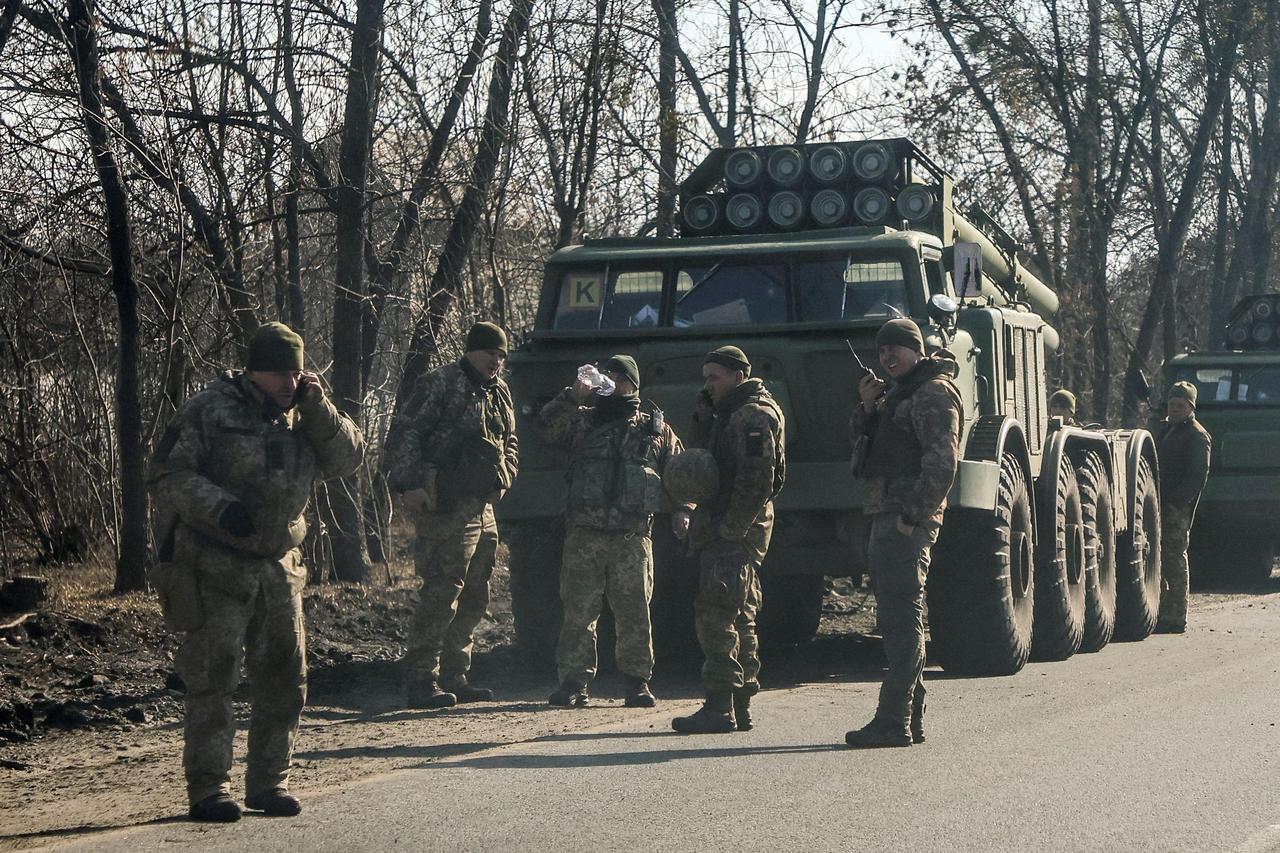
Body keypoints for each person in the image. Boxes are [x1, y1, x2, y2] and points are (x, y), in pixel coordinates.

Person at [148, 322, 366, 822]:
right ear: (252, 371)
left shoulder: (307, 414)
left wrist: (319, 410)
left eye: (294, 371)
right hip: (215, 564)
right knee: (213, 679)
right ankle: (209, 789)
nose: (287, 382)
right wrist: (219, 507)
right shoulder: (210, 408)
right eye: (276, 373)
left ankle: (270, 783)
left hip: (279, 567)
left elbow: (349, 459)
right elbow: (167, 474)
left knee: (286, 679)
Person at [534, 355, 689, 708]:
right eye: (609, 376)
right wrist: (574, 396)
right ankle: (574, 682)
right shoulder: (582, 421)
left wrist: (683, 510)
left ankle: (637, 683)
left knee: (635, 613)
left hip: (631, 538)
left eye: (619, 378)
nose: (612, 383)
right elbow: (544, 428)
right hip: (584, 535)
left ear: (633, 384)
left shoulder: (655, 429)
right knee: (578, 612)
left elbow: (678, 473)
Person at [384, 321, 519, 708]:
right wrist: (410, 484)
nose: (496, 360)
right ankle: (420, 679)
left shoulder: (500, 392)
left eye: (501, 355)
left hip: (483, 507)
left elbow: (510, 441)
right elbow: (406, 432)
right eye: (491, 352)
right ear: (472, 351)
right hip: (443, 505)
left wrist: (505, 477)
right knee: (443, 592)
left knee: (477, 593)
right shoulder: (439, 384)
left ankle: (455, 675)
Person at [845, 318, 962, 748]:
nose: (888, 357)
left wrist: (912, 516)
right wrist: (868, 408)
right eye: (882, 352)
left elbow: (942, 463)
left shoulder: (932, 392)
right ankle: (908, 717)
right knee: (897, 615)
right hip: (887, 513)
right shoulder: (900, 393)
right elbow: (864, 449)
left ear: (917, 350)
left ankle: (893, 719)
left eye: (897, 349)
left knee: (900, 618)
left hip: (903, 518)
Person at [671, 346, 785, 734]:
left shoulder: (753, 416)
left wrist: (729, 530)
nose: (707, 385)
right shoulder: (728, 413)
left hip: (735, 527)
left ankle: (721, 704)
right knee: (741, 613)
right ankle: (740, 702)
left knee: (717, 613)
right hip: (731, 525)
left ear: (737, 376)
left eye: (713, 377)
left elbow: (757, 481)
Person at [1155, 380, 1212, 634]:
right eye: (1172, 404)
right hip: (1160, 503)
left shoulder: (1197, 435)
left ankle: (1177, 616)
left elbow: (1197, 475)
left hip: (1176, 508)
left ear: (1191, 408)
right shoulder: (1167, 430)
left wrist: (1176, 503)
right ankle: (1163, 611)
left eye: (1180, 405)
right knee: (1161, 559)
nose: (1175, 409)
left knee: (1175, 559)